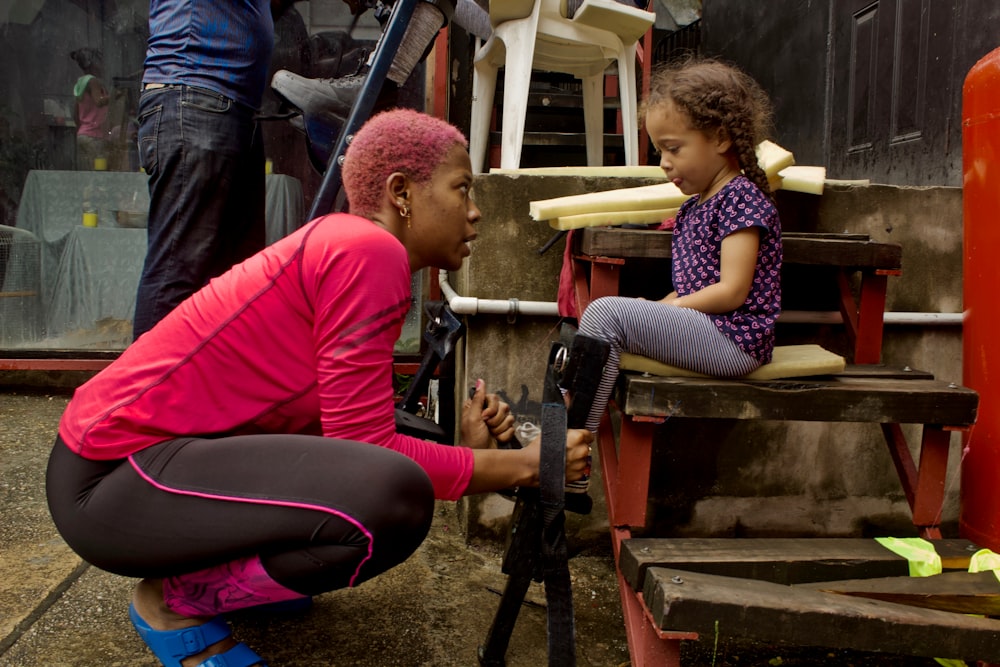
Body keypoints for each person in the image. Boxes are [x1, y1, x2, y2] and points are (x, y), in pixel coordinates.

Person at [46, 108, 593, 667]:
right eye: (462, 189)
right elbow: (366, 455)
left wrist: (464, 453)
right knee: (393, 498)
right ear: (400, 192)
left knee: (406, 443)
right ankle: (176, 599)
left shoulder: (349, 245)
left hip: (124, 471)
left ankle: (235, 577)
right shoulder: (369, 251)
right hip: (111, 480)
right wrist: (531, 464)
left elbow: (344, 432)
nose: (475, 213)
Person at [577, 56, 783, 438]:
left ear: (720, 138)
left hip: (733, 339)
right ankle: (559, 443)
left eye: (673, 148)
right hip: (708, 330)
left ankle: (572, 448)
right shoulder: (692, 208)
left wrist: (658, 310)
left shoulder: (741, 197)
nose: (664, 163)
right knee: (592, 329)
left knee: (606, 314)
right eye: (659, 151)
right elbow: (690, 288)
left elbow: (732, 291)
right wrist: (656, 309)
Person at [131, 0, 302, 339]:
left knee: (235, 279)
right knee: (176, 271)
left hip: (231, 107)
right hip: (194, 93)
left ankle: (212, 390)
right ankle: (147, 392)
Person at [71, 48, 110, 171]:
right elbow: (98, 101)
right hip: (94, 136)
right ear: (92, 64)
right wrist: (114, 96)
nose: (102, 67)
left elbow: (75, 114)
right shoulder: (93, 81)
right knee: (98, 174)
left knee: (87, 173)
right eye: (100, 63)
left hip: (82, 135)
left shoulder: (80, 83)